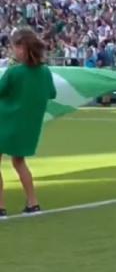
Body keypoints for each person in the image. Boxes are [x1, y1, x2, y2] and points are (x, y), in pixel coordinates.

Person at [0, 28, 56, 218]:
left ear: (22, 48)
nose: (12, 51)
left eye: (14, 47)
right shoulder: (45, 72)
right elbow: (52, 93)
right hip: (27, 126)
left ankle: (0, 207)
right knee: (18, 161)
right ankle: (33, 203)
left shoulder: (14, 72)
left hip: (5, 122)